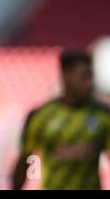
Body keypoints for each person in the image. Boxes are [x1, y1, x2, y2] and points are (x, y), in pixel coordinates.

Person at [12, 49, 110, 190]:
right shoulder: (41, 116)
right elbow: (23, 162)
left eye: (91, 76)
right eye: (83, 76)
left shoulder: (103, 115)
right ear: (65, 76)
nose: (89, 83)